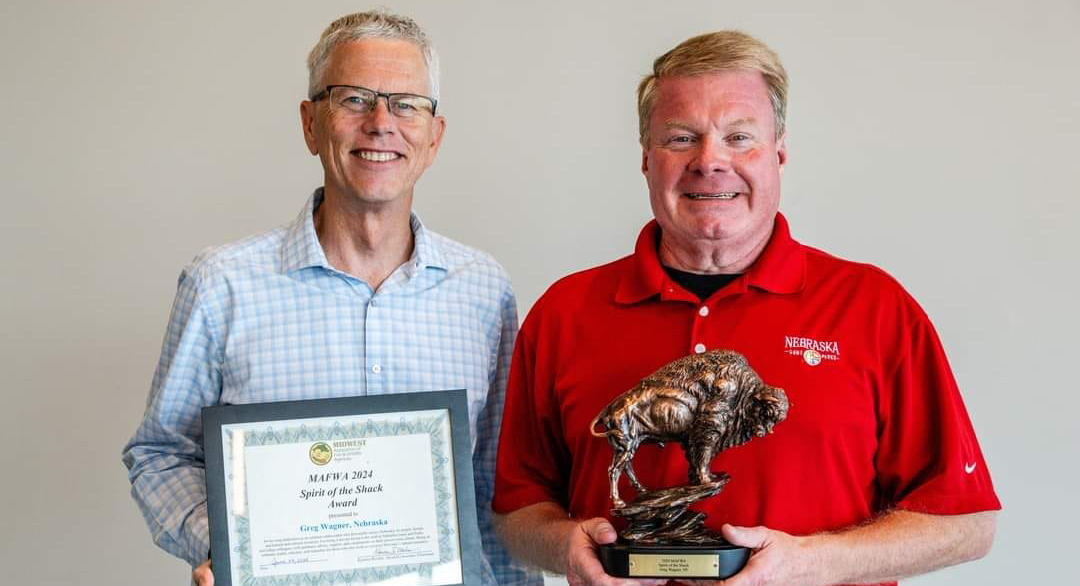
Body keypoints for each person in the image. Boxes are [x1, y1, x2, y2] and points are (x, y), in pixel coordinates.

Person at [492, 30, 1000, 586]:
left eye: (739, 137)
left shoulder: (875, 308)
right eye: (681, 138)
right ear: (646, 160)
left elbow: (967, 523)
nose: (710, 161)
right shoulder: (564, 312)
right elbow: (516, 512)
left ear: (778, 153)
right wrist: (565, 547)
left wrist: (813, 562)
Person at [122, 10, 539, 586]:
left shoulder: (483, 290)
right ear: (311, 124)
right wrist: (229, 547)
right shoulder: (221, 284)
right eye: (353, 99)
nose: (380, 123)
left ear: (434, 136)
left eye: (406, 103)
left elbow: (496, 486)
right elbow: (161, 454)